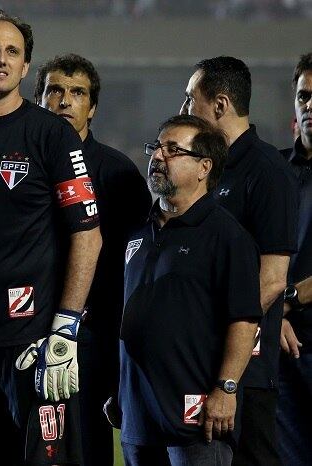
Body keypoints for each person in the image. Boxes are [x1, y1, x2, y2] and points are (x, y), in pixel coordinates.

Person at [0, 10, 102, 465]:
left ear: (27, 67)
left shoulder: (53, 136)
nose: (2, 60)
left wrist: (65, 327)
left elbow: (88, 235)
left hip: (31, 345)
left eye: (13, 52)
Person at [120, 114, 261, 466]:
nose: (158, 156)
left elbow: (243, 320)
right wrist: (117, 391)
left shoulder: (227, 236)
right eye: (156, 147)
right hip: (138, 418)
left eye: (173, 150)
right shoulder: (138, 232)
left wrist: (227, 388)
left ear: (203, 167)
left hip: (195, 420)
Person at [35, 53, 152, 466]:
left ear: (93, 107)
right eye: (55, 90)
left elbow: (138, 266)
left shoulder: (117, 173)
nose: (65, 100)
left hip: (94, 338)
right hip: (25, 329)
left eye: (77, 93)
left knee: (85, 449)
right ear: (39, 100)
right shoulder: (22, 164)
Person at [181, 56, 298, 466]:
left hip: (244, 370)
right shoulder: (208, 169)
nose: (183, 111)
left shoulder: (268, 172)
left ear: (220, 104)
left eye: (189, 99)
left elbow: (271, 280)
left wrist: (215, 331)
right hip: (199, 356)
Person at [276, 52, 312, 466]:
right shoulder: (276, 172)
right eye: (303, 96)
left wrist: (288, 297)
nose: (310, 106)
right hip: (283, 349)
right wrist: (275, 313)